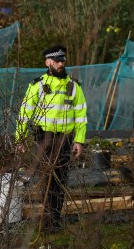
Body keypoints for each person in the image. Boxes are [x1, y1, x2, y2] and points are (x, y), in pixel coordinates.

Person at [15, 44, 87, 232]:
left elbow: (81, 115)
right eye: (57, 61)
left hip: (65, 139)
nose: (61, 63)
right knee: (47, 178)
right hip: (43, 138)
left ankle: (55, 218)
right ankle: (48, 216)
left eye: (63, 60)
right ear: (48, 62)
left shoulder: (73, 85)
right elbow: (25, 113)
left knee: (61, 179)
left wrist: (79, 140)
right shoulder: (38, 85)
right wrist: (20, 138)